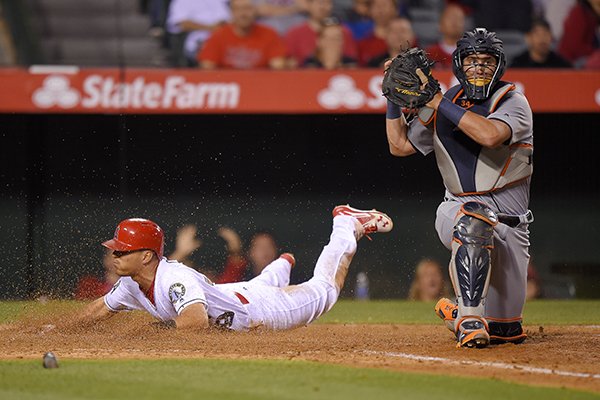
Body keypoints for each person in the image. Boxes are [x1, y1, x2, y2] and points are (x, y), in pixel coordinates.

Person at [385, 28, 534, 348]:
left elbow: (490, 135)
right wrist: (393, 100)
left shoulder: (513, 101)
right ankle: (467, 319)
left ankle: (455, 311)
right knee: (474, 218)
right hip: (458, 210)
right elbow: (399, 146)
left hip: (511, 226)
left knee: (505, 331)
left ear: (499, 65)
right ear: (459, 63)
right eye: (471, 60)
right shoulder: (445, 100)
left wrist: (438, 101)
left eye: (486, 61)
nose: (478, 67)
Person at [72, 206, 392, 331]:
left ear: (146, 256)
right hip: (233, 294)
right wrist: (63, 329)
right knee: (259, 282)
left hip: (260, 310)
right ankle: (279, 269)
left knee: (326, 290)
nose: (114, 257)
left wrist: (149, 332)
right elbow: (101, 308)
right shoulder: (131, 282)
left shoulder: (175, 279)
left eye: (122, 251)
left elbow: (195, 322)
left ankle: (346, 224)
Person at [198, 0, 287, 69]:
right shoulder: (219, 35)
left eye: (247, 8)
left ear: (255, 11)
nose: (243, 14)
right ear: (231, 12)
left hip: (260, 85)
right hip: (228, 87)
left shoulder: (269, 34)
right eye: (238, 9)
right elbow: (207, 66)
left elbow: (278, 65)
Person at [285, 0, 358, 67]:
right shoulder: (294, 34)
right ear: (308, 4)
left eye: (327, 2)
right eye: (319, 2)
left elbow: (352, 63)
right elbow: (289, 64)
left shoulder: (344, 32)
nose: (322, 7)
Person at [169, 224, 248, 283]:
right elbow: (166, 273)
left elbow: (236, 265)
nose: (207, 275)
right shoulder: (189, 284)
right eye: (203, 272)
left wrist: (180, 253)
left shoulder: (221, 288)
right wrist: (181, 252)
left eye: (210, 273)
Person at [165, 0, 231, 66]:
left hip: (227, 41)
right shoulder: (183, 1)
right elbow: (181, 24)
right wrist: (211, 27)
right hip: (199, 43)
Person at [558, 0, 600, 67]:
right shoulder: (578, 12)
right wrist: (595, 52)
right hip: (571, 60)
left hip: (587, 55)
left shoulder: (592, 12)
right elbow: (575, 45)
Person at [357, 0, 398, 66]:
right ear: (369, 10)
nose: (381, 10)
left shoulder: (404, 39)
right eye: (377, 6)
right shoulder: (363, 41)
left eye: (384, 5)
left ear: (395, 9)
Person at [425, 4, 465, 69]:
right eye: (450, 18)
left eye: (459, 18)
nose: (455, 22)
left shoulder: (471, 55)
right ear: (440, 25)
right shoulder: (430, 54)